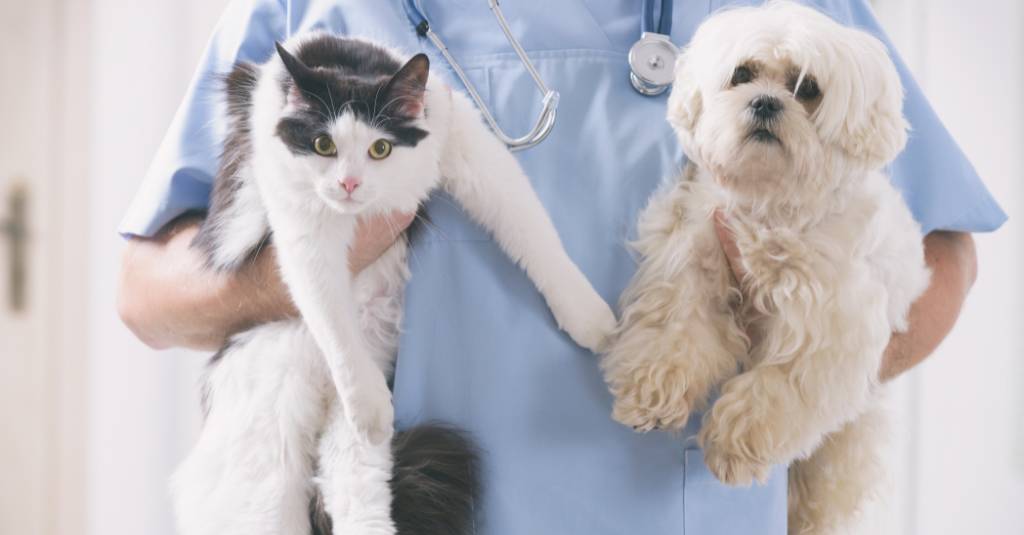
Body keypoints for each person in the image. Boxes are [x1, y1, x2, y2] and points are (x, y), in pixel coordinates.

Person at [116, 1, 1005, 533]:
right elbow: (147, 293)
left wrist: (810, 365)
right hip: (418, 506)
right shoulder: (321, 4)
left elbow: (943, 254)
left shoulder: (786, 17)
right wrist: (310, 266)